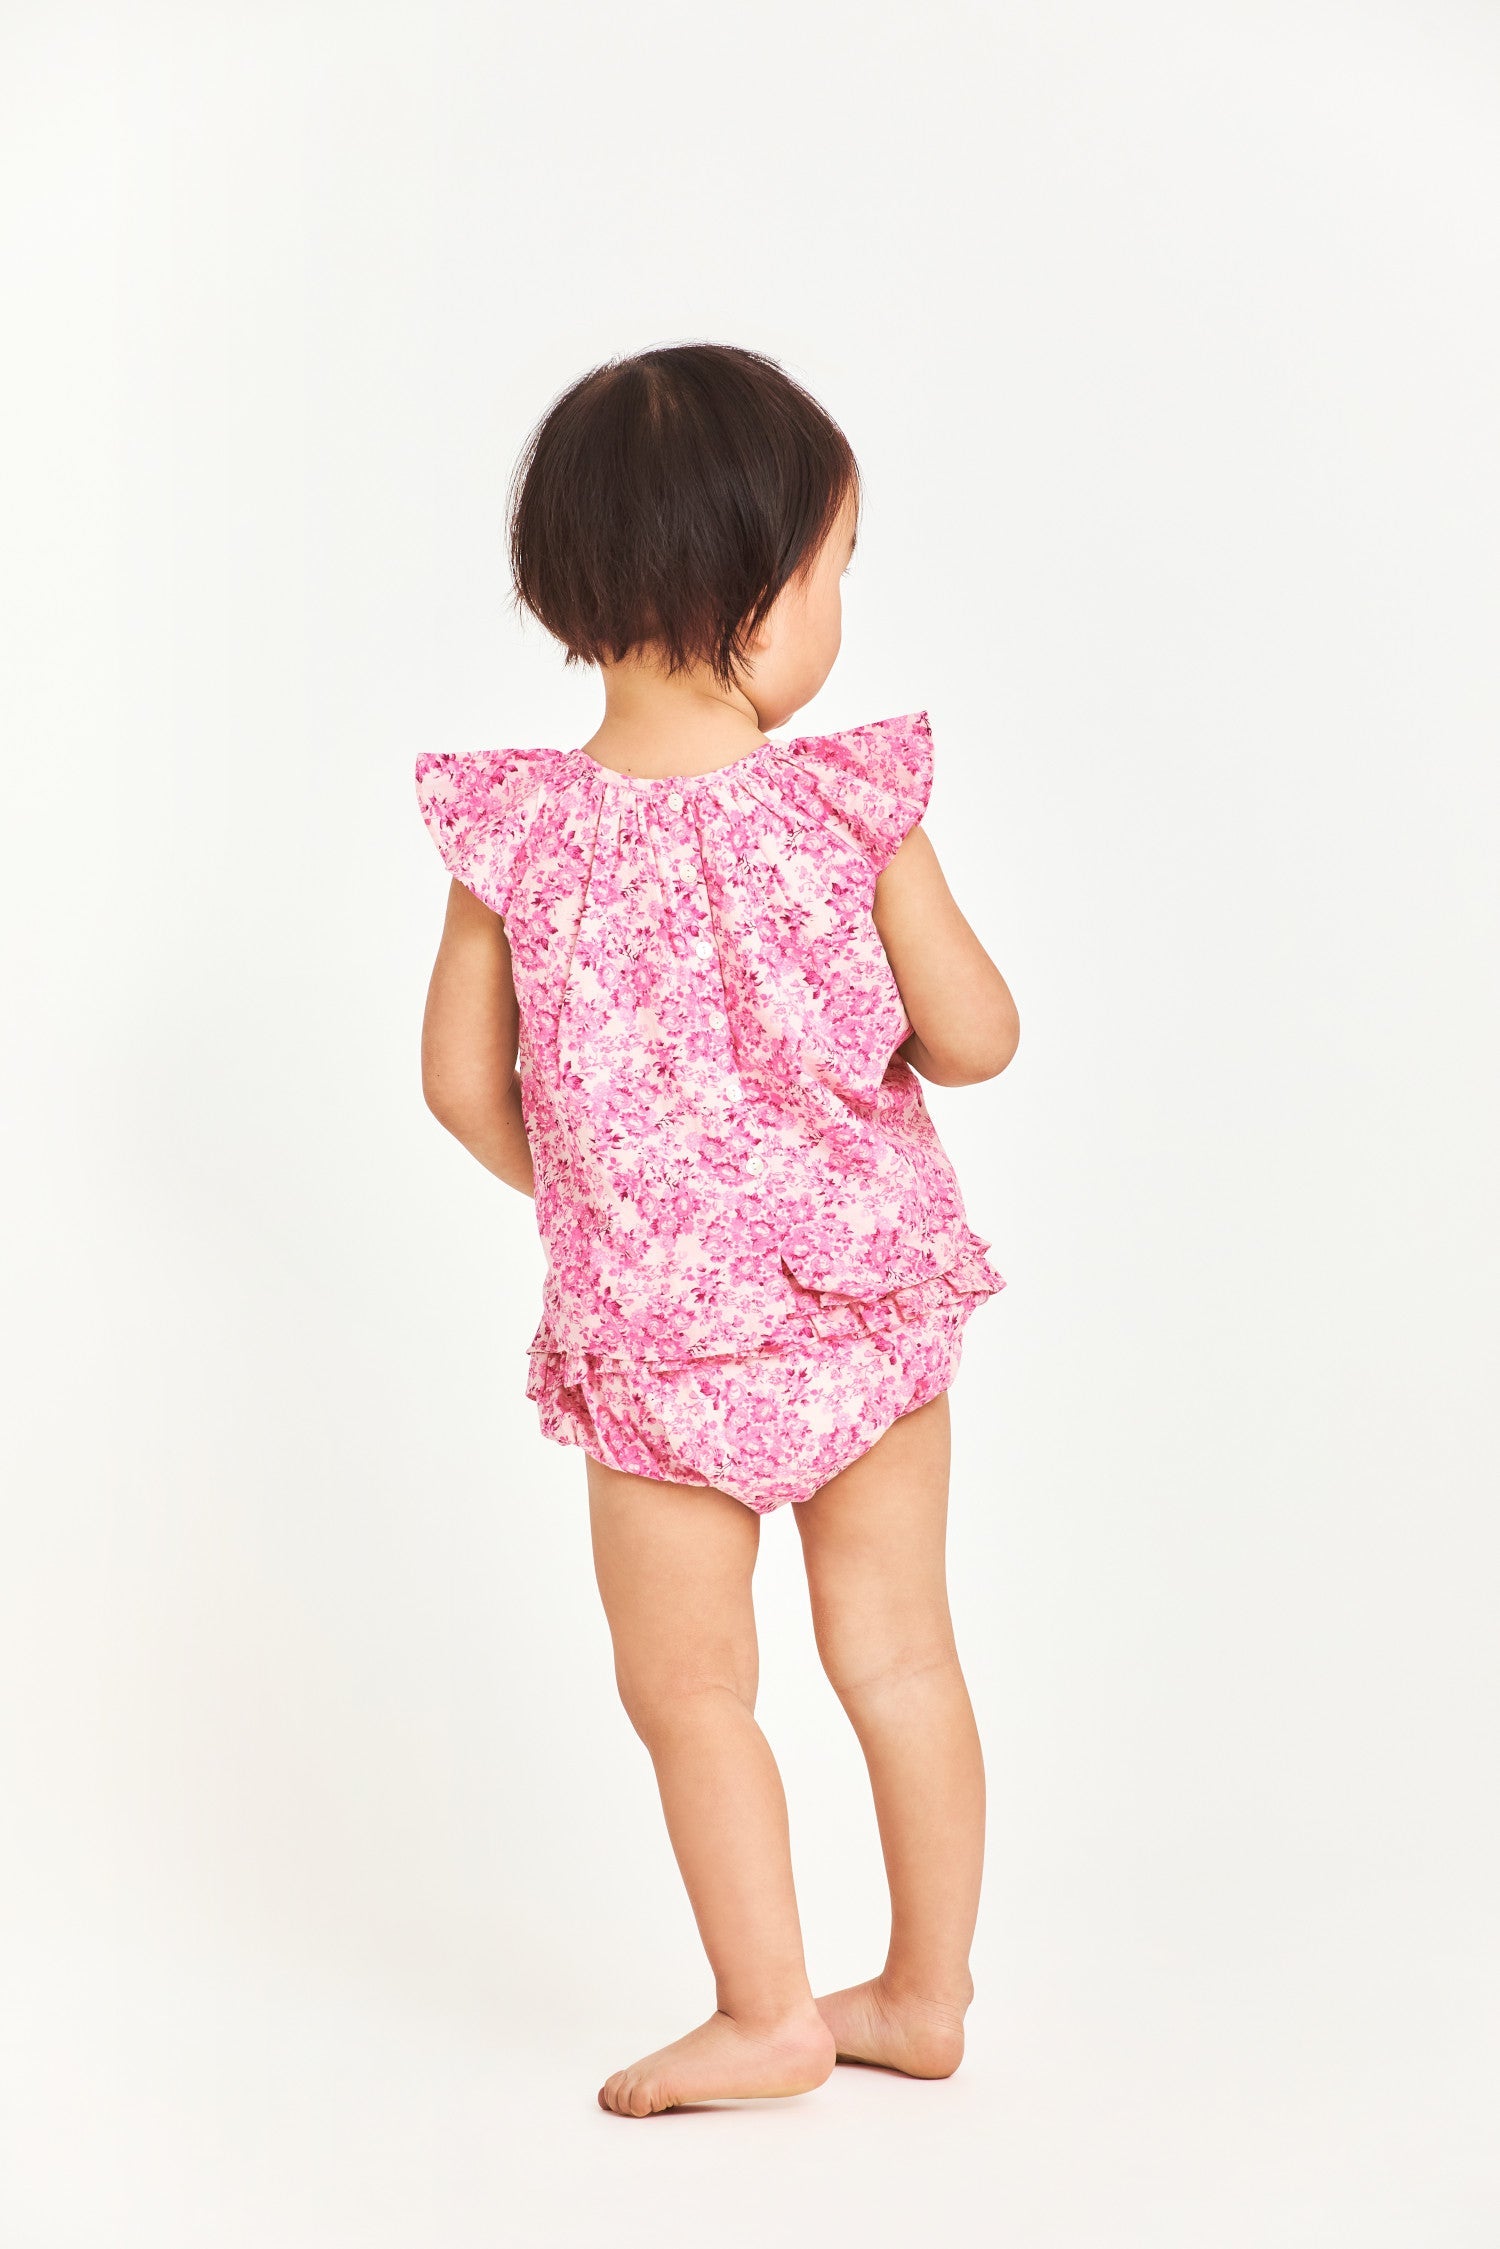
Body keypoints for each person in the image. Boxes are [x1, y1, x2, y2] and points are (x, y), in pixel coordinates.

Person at [416, 344, 1020, 2117]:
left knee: (692, 1690)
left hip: (654, 1342)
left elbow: (458, 1083)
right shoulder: (845, 808)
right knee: (899, 1652)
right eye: (836, 570)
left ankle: (765, 2014)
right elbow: (978, 1037)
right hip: (859, 1310)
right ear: (754, 600)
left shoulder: (520, 838)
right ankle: (922, 1995)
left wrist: (611, 1202)